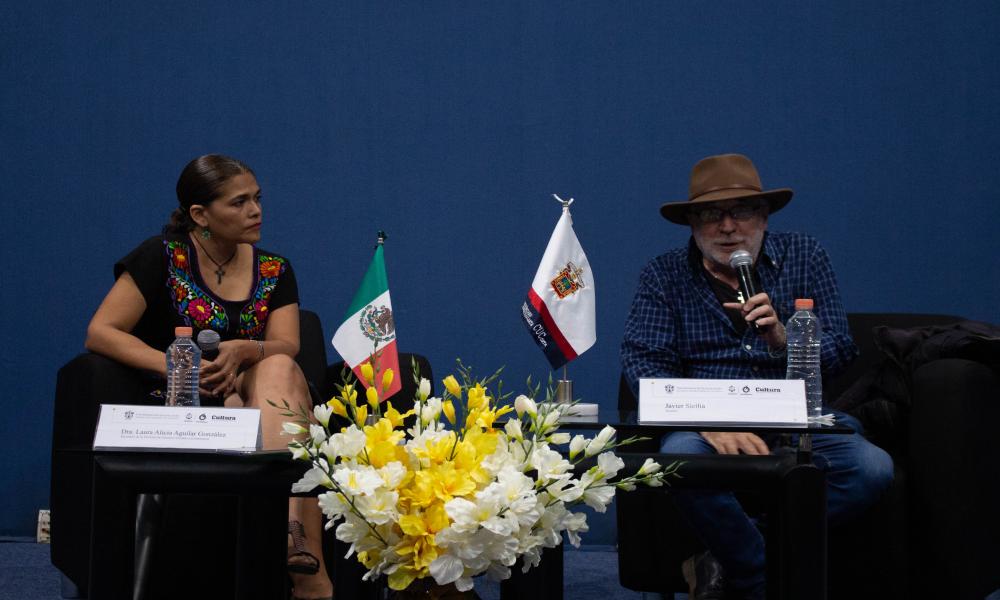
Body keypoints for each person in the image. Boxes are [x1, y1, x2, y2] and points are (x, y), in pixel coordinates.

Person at [620, 153, 893, 600]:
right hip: (705, 426)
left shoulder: (805, 256)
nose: (728, 227)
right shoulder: (662, 275)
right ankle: (756, 578)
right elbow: (643, 364)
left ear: (764, 217)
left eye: (742, 211)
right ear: (693, 223)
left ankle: (722, 557)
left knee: (871, 469)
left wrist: (785, 338)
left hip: (794, 417)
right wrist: (705, 420)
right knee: (682, 459)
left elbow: (843, 348)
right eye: (712, 214)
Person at [85, 154, 332, 600]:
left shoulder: (275, 269)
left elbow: (286, 345)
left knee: (275, 367)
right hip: (183, 401)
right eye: (238, 203)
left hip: (264, 396)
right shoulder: (162, 256)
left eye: (257, 199)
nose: (255, 211)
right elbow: (101, 332)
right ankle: (299, 564)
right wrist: (178, 364)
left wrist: (246, 349)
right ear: (200, 214)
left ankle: (295, 541)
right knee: (244, 406)